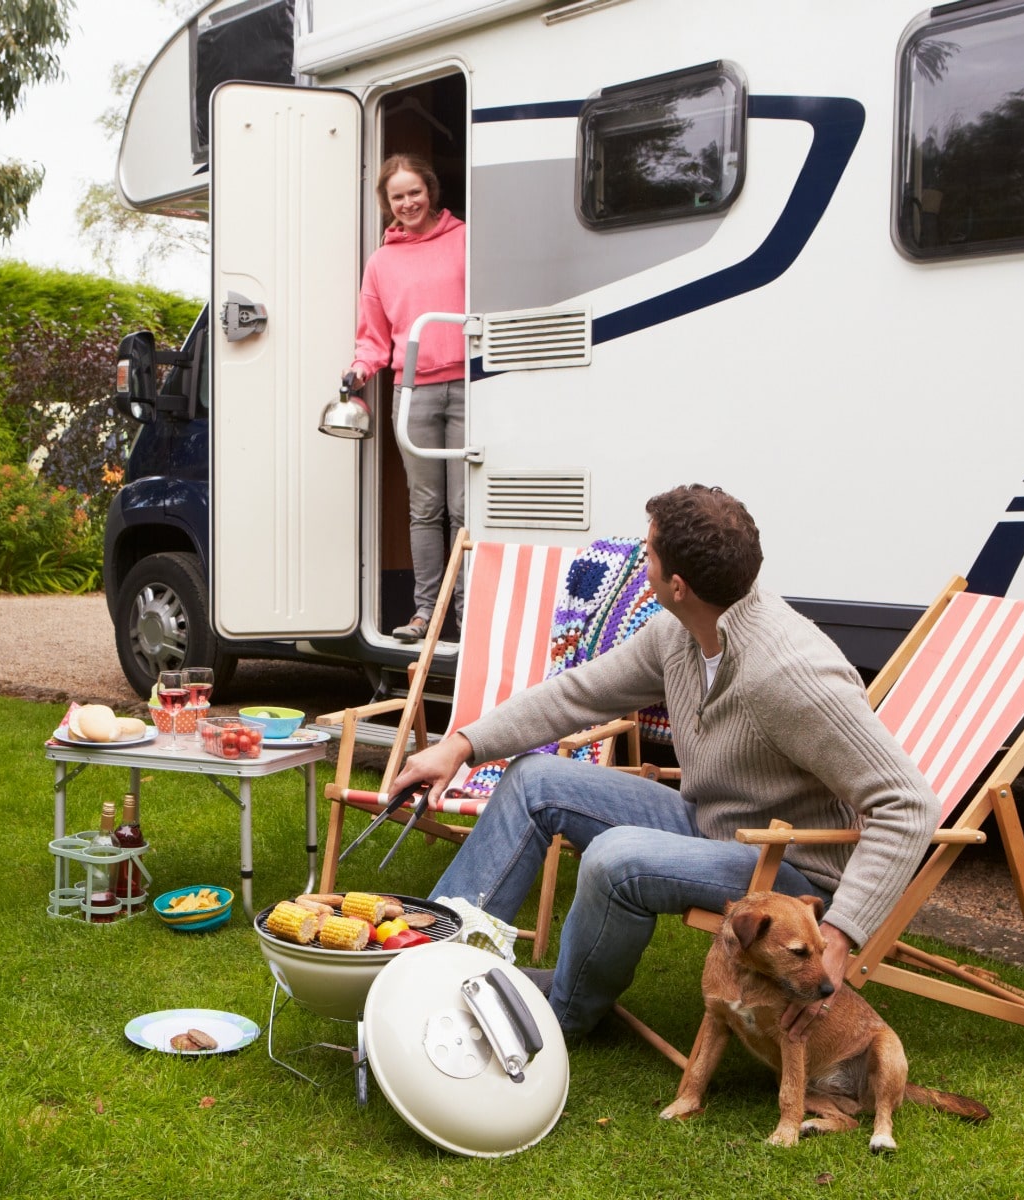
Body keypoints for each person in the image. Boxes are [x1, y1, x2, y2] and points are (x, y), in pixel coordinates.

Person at [393, 484, 939, 1038]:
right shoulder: (677, 632)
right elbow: (575, 694)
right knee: (534, 780)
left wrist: (840, 937)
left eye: (648, 553)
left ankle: (564, 1015)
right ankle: (428, 960)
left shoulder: (790, 673)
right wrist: (460, 744)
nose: (641, 560)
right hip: (709, 825)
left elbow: (909, 803)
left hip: (787, 866)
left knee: (615, 857)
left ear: (676, 586)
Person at [343, 153, 467, 642]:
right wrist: (359, 369)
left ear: (430, 190)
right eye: (398, 196)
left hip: (467, 388)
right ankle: (426, 615)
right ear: (387, 203)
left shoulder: (464, 240)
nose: (408, 202)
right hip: (412, 392)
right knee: (426, 508)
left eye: (415, 191)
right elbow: (372, 337)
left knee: (463, 506)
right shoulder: (382, 262)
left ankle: (468, 612)